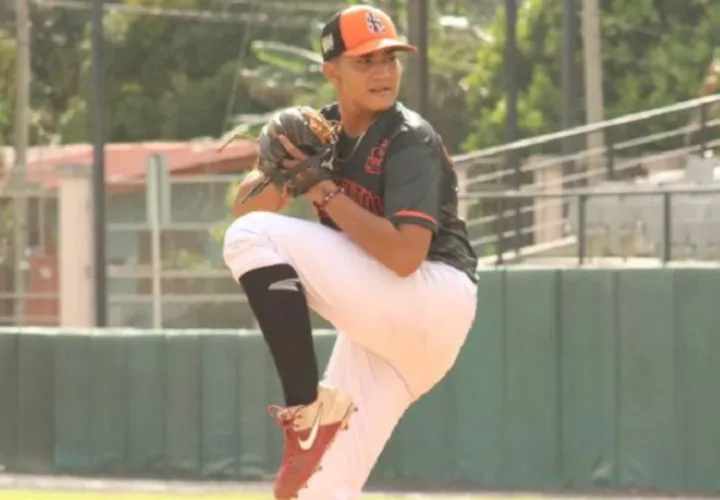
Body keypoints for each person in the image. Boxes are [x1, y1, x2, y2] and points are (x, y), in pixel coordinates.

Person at [222, 4, 479, 499]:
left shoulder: (410, 138)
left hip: (431, 293)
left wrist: (321, 190)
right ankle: (316, 420)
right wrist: (277, 167)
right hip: (390, 337)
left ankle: (307, 409)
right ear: (331, 71)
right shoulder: (322, 132)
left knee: (253, 237)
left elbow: (405, 257)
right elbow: (246, 210)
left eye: (391, 58)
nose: (383, 71)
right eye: (366, 61)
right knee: (316, 490)